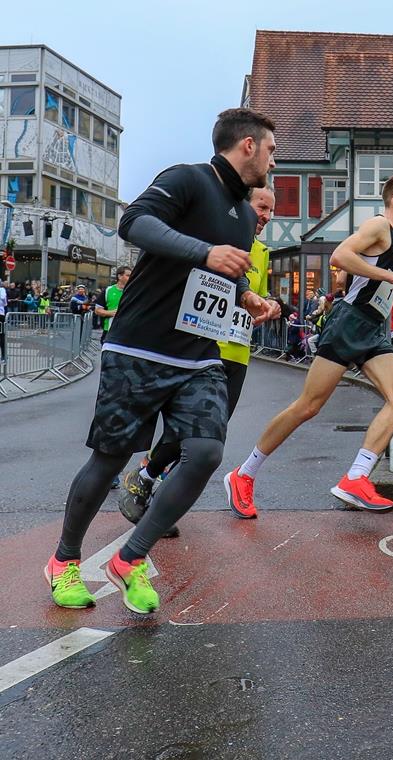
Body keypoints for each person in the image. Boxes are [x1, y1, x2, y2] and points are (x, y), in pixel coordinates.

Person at [44, 107, 275, 614]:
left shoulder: (242, 214)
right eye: (272, 150)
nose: (273, 162)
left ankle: (130, 558)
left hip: (197, 354)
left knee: (207, 452)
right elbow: (134, 223)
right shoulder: (188, 179)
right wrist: (205, 252)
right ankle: (64, 561)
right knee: (109, 461)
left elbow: (222, 274)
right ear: (248, 146)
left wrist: (246, 296)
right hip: (139, 347)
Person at [224, 175, 393, 516]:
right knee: (308, 405)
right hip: (349, 324)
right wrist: (391, 277)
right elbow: (340, 256)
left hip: (373, 329)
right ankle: (243, 474)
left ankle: (356, 477)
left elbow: (357, 273)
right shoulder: (378, 225)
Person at [119, 187, 280, 528]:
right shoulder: (216, 240)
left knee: (212, 431)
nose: (266, 215)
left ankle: (151, 482)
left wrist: (269, 304)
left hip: (238, 350)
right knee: (191, 432)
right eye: (261, 206)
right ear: (242, 206)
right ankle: (148, 483)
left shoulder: (263, 251)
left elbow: (256, 295)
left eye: (271, 210)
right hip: (204, 348)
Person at [94, 267, 131, 344]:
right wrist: (111, 313)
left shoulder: (133, 291)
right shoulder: (108, 290)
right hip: (110, 330)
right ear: (120, 276)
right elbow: (97, 310)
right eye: (128, 275)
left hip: (128, 332)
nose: (130, 277)